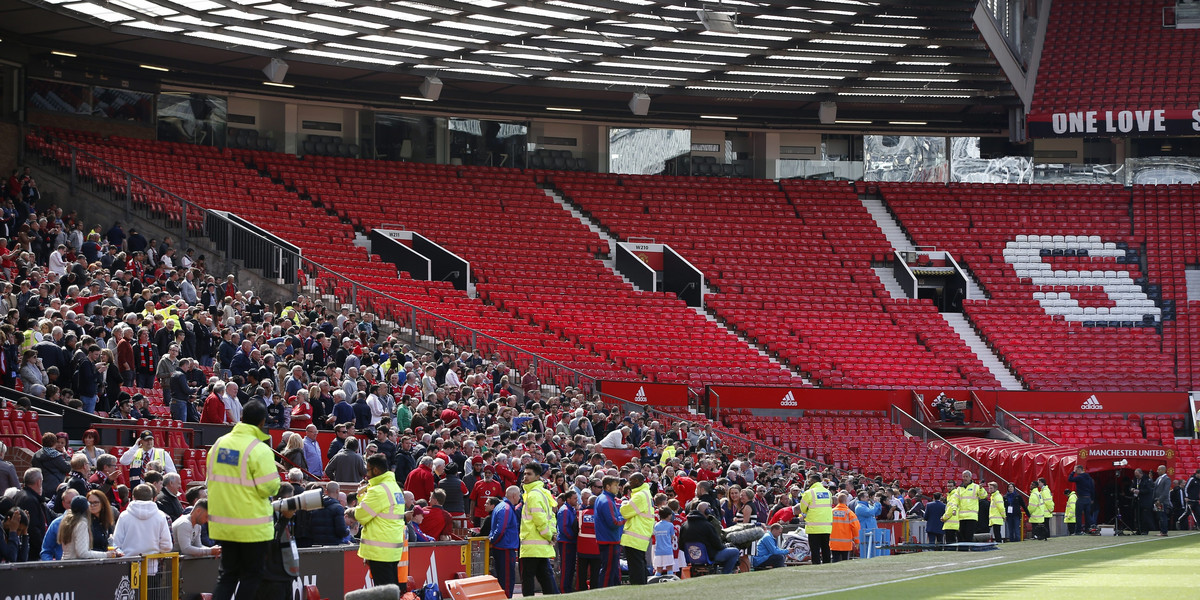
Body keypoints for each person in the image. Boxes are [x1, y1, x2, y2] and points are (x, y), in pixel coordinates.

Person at [208, 400, 281, 600]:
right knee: (252, 576)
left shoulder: (219, 444)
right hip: (252, 527)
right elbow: (269, 487)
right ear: (262, 421)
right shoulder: (259, 449)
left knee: (227, 576)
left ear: (241, 417)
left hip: (223, 524)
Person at [353, 453, 407, 589]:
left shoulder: (378, 491)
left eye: (368, 469)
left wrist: (360, 496)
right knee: (391, 591)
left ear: (376, 470)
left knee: (384, 593)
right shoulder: (393, 487)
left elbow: (360, 514)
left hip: (380, 552)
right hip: (392, 550)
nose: (366, 473)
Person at [113, 484, 173, 573]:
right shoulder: (160, 516)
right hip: (151, 568)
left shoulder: (124, 516)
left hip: (128, 567)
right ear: (152, 497)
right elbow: (167, 546)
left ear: (133, 497)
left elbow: (116, 543)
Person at [519, 462, 558, 595]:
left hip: (532, 546)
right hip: (541, 545)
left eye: (529, 474)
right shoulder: (542, 492)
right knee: (545, 578)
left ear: (537, 477)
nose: (525, 477)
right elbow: (551, 516)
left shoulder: (533, 495)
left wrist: (549, 535)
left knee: (528, 579)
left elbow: (540, 520)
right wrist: (551, 535)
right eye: (524, 474)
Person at [678, 501, 739, 574]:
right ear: (707, 511)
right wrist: (725, 546)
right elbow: (717, 545)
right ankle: (725, 574)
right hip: (709, 556)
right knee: (735, 551)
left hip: (692, 558)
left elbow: (681, 545)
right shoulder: (707, 525)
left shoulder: (684, 525)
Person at [60, 495, 119, 560]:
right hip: (76, 567)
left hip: (66, 565)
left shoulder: (67, 521)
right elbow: (82, 553)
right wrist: (107, 555)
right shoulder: (82, 523)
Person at [619, 472, 653, 585]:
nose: (629, 483)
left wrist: (623, 504)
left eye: (631, 481)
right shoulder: (644, 493)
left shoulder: (640, 496)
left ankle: (638, 590)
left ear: (637, 481)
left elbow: (625, 511)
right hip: (640, 535)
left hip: (635, 536)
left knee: (635, 567)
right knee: (639, 564)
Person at [488, 486, 521, 598]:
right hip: (505, 547)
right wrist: (494, 540)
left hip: (502, 546)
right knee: (507, 579)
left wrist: (493, 540)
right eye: (519, 495)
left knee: (504, 577)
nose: (520, 497)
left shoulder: (501, 506)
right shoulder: (506, 508)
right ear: (514, 496)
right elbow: (501, 529)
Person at [593, 476, 625, 587]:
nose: (618, 488)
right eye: (615, 485)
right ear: (607, 486)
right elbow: (614, 522)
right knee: (608, 571)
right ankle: (604, 593)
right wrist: (625, 518)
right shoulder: (606, 500)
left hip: (607, 539)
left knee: (611, 570)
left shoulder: (602, 498)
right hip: (609, 540)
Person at [799, 473, 832, 565]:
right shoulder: (828, 492)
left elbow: (803, 509)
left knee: (815, 550)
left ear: (813, 481)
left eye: (809, 481)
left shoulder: (809, 493)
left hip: (814, 527)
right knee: (826, 548)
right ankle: (828, 565)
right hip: (826, 527)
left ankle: (816, 565)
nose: (808, 483)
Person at [953, 471, 986, 551]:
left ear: (970, 478)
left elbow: (983, 496)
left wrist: (981, 489)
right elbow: (955, 500)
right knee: (961, 534)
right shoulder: (959, 489)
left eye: (966, 477)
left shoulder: (976, 487)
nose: (965, 478)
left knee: (969, 535)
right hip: (961, 516)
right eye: (963, 476)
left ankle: (969, 549)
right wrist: (954, 509)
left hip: (972, 516)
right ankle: (963, 549)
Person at [575, 493, 601, 591]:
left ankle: (582, 591)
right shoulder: (600, 515)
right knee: (595, 573)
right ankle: (594, 591)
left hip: (582, 548)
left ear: (588, 502)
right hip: (596, 549)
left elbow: (574, 529)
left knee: (582, 573)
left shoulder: (580, 513)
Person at [556, 490, 579, 593]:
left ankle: (568, 588)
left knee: (570, 567)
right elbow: (564, 528)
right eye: (574, 498)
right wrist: (572, 537)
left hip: (571, 542)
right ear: (568, 499)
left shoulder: (571, 510)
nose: (576, 500)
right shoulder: (565, 510)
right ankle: (564, 589)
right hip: (566, 542)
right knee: (566, 567)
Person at [829, 492, 860, 563]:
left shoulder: (831, 512)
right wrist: (857, 542)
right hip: (846, 544)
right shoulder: (850, 513)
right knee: (845, 561)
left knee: (834, 560)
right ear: (846, 501)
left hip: (834, 543)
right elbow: (856, 527)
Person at [1068, 465, 1096, 533]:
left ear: (1079, 470)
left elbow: (1070, 479)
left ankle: (1078, 531)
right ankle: (1088, 529)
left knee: (1079, 515)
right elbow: (1092, 489)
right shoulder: (1090, 478)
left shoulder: (1079, 477)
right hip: (1088, 498)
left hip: (1081, 498)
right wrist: (1092, 499)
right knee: (1087, 515)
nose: (1076, 472)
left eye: (1076, 470)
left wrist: (1073, 472)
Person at [854, 490, 881, 556]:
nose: (868, 498)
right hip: (865, 531)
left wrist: (878, 504)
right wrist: (876, 504)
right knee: (866, 550)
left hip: (872, 530)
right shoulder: (859, 507)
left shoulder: (868, 505)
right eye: (866, 497)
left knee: (873, 550)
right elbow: (870, 512)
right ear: (862, 498)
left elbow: (877, 512)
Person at [1154, 465, 1171, 537]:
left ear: (1163, 470)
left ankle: (1164, 531)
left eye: (1159, 470)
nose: (1157, 471)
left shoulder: (1167, 479)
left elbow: (1165, 491)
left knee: (1163, 516)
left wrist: (1160, 500)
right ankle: (1162, 531)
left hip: (1163, 501)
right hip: (1157, 500)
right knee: (1160, 516)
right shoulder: (1158, 479)